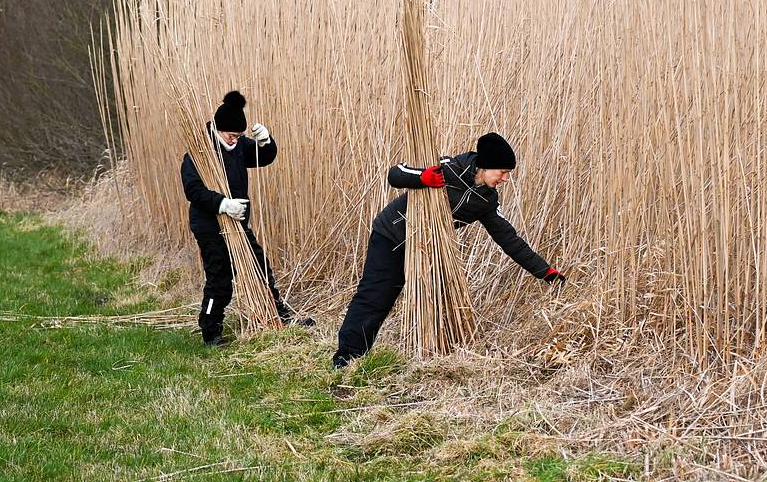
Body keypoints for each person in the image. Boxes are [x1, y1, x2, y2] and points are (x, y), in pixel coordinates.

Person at [333, 132, 565, 368]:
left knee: (433, 297)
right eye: (502, 172)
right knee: (376, 296)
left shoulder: (486, 200)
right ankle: (347, 356)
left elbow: (510, 240)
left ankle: (432, 358)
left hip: (427, 248)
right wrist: (422, 178)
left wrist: (545, 272)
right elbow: (396, 174)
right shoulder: (448, 168)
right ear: (485, 166)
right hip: (391, 236)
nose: (506, 179)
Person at [180, 91, 313, 346]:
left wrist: (266, 142)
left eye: (240, 136)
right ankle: (210, 330)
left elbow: (264, 158)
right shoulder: (199, 152)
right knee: (220, 277)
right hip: (209, 225)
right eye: (231, 136)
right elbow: (193, 190)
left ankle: (278, 316)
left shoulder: (239, 146)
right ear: (218, 130)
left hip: (237, 223)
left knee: (259, 265)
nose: (235, 141)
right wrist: (223, 204)